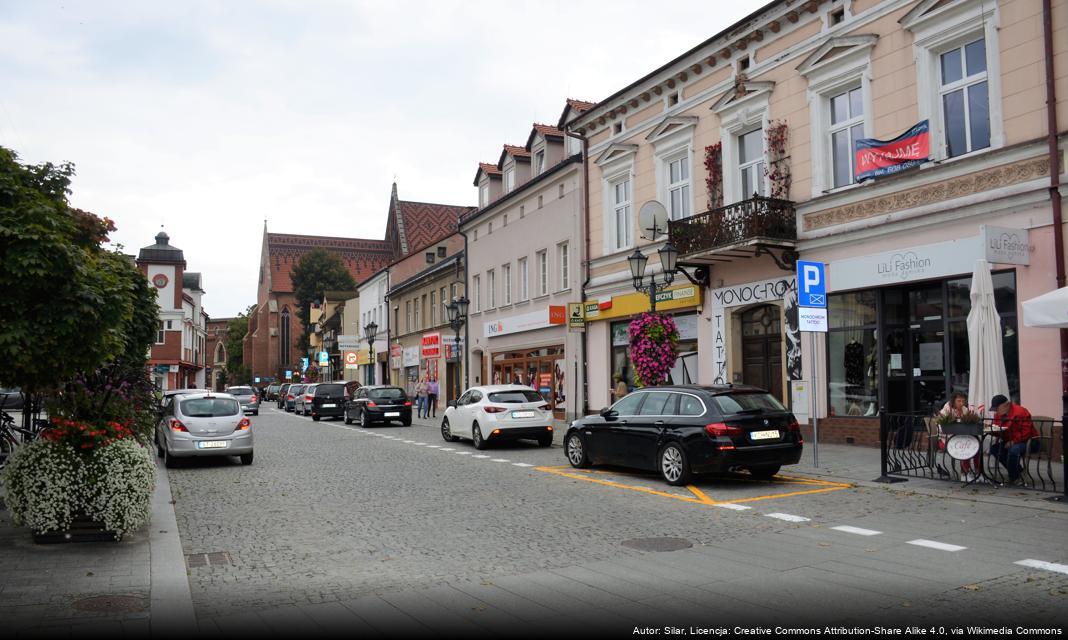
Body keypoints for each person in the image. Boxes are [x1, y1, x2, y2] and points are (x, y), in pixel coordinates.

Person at [988, 394, 1040, 485]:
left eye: (997, 408)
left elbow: (1026, 432)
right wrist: (990, 430)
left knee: (1014, 449)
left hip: (1030, 441)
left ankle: (1014, 478)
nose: (996, 411)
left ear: (1006, 405)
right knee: (994, 449)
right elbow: (999, 430)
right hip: (1011, 440)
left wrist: (1013, 441)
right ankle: (1018, 472)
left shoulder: (1021, 412)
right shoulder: (998, 415)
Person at [938, 392, 980, 481]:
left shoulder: (965, 410)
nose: (961, 403)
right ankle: (965, 473)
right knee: (965, 445)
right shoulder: (945, 411)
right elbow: (941, 429)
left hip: (962, 437)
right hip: (947, 440)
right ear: (953, 401)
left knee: (976, 444)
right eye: (959, 401)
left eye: (963, 401)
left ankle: (978, 471)